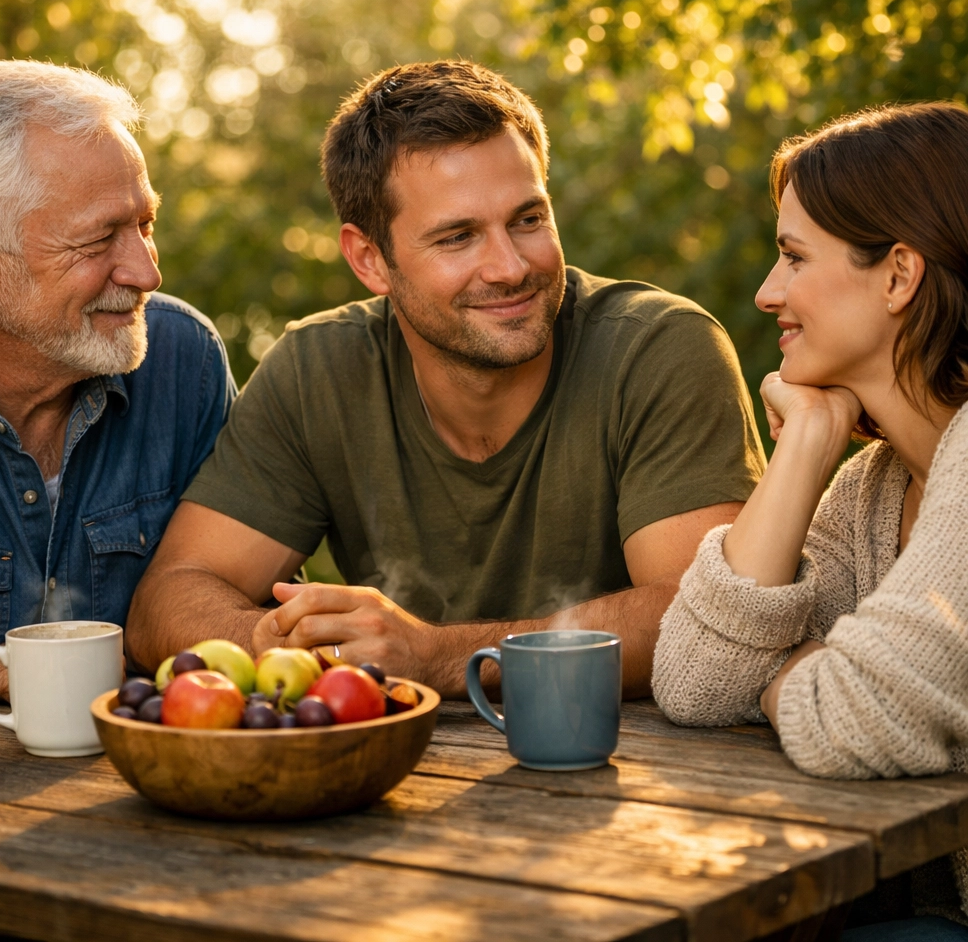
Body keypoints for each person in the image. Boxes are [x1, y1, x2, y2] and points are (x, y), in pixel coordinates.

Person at [127, 60, 763, 697]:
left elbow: (705, 618)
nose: (510, 266)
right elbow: (166, 599)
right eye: (458, 237)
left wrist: (438, 656)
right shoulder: (315, 371)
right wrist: (276, 642)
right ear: (370, 259)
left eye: (528, 219)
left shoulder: (658, 348)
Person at [652, 102, 968, 938]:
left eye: (794, 258)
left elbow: (852, 718)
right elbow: (692, 685)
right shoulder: (872, 486)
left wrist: (794, 671)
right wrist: (805, 450)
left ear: (900, 276)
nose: (767, 293)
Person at [0, 61, 235, 705]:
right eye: (100, 237)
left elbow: (241, 607)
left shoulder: (183, 360)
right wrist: (7, 674)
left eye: (146, 225)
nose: (146, 272)